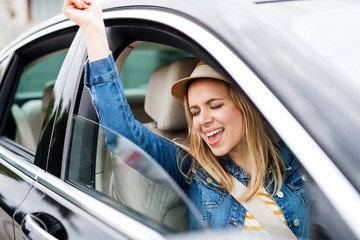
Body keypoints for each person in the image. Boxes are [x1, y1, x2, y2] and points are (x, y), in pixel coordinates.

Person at [63, 0, 309, 238]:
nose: (203, 120)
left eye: (215, 105)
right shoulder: (192, 169)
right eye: (195, 111)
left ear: (245, 107)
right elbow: (121, 134)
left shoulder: (295, 159)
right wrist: (93, 28)